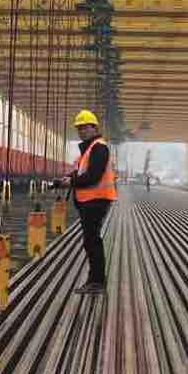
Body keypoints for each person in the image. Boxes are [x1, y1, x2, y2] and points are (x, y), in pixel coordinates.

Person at [68, 109, 117, 294]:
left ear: (94, 128)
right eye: (79, 128)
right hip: (90, 201)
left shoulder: (99, 147)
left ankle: (97, 282)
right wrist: (68, 178)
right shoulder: (89, 149)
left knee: (92, 241)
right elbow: (82, 173)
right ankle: (95, 280)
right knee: (91, 241)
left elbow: (93, 176)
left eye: (85, 127)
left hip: (96, 200)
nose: (81, 131)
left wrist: (71, 182)